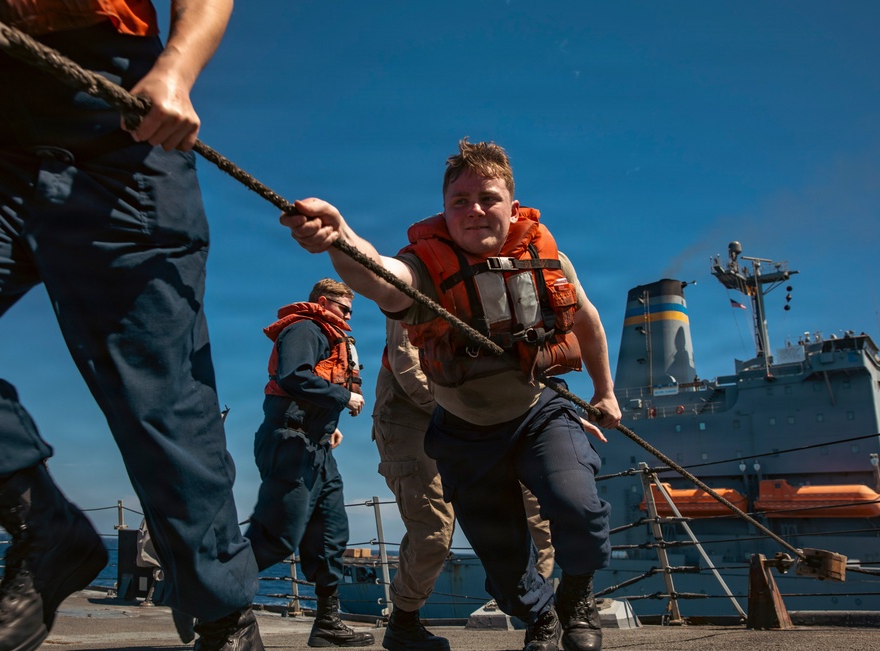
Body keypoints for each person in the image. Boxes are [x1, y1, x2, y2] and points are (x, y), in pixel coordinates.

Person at [0, 0, 263, 650]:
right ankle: (46, 528)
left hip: (125, 149)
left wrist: (174, 74)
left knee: (165, 406)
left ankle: (225, 624)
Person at [280, 139, 622, 651]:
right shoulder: (424, 271)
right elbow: (380, 278)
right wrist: (339, 238)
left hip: (537, 414)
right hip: (465, 433)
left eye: (488, 198)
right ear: (444, 209)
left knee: (580, 505)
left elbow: (588, 322)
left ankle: (576, 600)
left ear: (512, 203)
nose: (475, 210)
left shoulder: (547, 259)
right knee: (504, 568)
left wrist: (605, 392)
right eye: (460, 201)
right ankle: (538, 618)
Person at [373, 317, 555, 651]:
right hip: (413, 411)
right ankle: (403, 622)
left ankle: (540, 619)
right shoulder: (416, 279)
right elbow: (406, 362)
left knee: (536, 514)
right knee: (433, 530)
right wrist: (464, 415)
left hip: (491, 407)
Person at [245, 279, 374, 648]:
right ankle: (215, 603)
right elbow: (294, 375)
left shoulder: (329, 333)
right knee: (278, 536)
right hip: (290, 443)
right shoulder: (306, 327)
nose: (349, 317)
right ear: (323, 302)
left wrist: (329, 426)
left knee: (330, 534)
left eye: (351, 310)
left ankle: (327, 623)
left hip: (317, 446)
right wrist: (342, 397)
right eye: (343, 308)